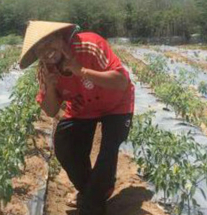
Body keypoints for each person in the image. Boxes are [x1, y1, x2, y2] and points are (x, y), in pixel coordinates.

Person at [18, 21, 135, 215]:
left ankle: (91, 206)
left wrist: (81, 71)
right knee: (64, 144)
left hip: (116, 103)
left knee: (109, 149)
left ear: (61, 38)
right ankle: (94, 190)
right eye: (40, 48)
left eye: (50, 42)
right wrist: (50, 88)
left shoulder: (90, 45)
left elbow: (122, 82)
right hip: (84, 108)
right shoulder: (46, 70)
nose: (47, 51)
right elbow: (51, 110)